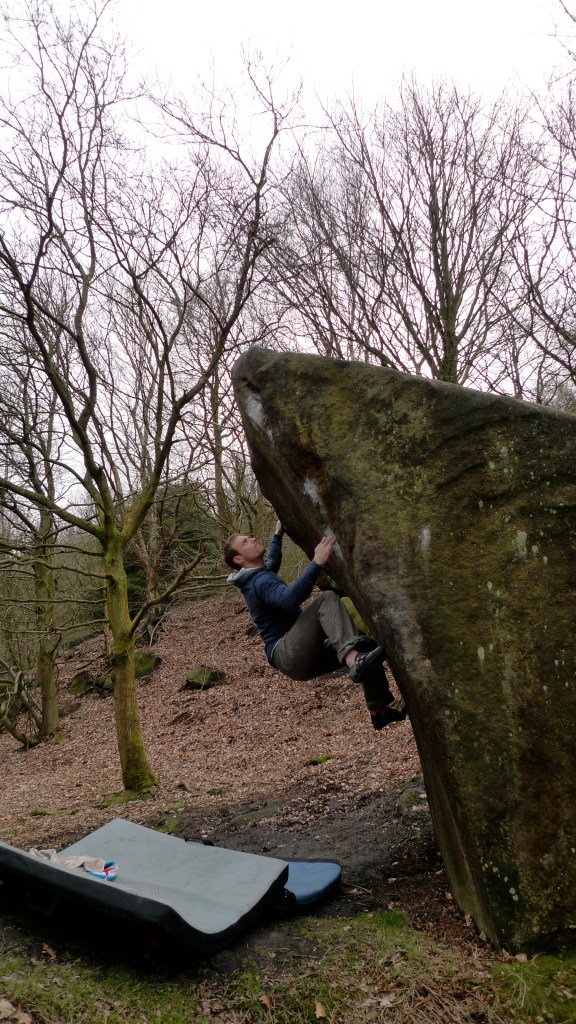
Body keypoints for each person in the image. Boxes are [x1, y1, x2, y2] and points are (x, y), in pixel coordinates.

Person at [223, 521, 406, 730]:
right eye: (245, 541)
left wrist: (278, 534)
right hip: (287, 652)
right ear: (239, 559)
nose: (252, 537)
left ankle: (379, 710)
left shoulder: (257, 573)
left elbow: (273, 560)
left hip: (303, 653)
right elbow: (287, 599)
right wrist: (316, 563)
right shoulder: (258, 582)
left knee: (367, 644)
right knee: (325, 599)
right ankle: (353, 660)